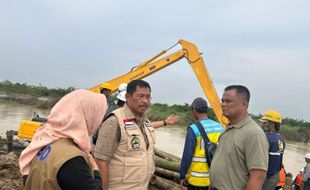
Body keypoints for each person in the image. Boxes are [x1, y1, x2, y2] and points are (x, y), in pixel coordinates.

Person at [19, 89, 107, 190]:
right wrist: (95, 169)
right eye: (99, 117)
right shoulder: (72, 160)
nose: (100, 123)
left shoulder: (46, 139)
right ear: (88, 117)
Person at [94, 79, 154, 190]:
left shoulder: (145, 122)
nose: (145, 101)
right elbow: (100, 161)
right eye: (140, 96)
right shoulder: (114, 121)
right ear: (127, 97)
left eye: (148, 97)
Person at [209, 85, 269, 190]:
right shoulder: (228, 128)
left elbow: (258, 176)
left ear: (244, 104)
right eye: (222, 101)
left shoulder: (253, 134)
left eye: (228, 101)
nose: (223, 105)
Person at [179, 97, 224, 190]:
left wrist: (182, 175)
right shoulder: (220, 127)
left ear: (194, 110)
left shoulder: (193, 129)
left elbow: (187, 155)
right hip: (213, 179)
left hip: (197, 179)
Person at [260, 110, 286, 190]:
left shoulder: (266, 137)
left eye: (265, 122)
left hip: (266, 177)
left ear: (272, 124)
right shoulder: (281, 138)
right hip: (275, 176)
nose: (262, 124)